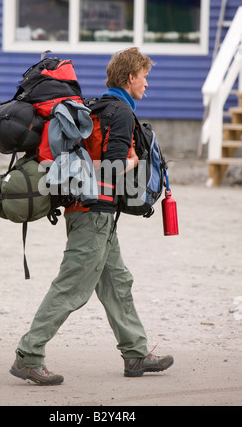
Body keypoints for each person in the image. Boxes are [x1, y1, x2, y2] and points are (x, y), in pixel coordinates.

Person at [9, 47, 174, 385]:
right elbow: (111, 169)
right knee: (71, 288)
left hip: (87, 210)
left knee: (117, 283)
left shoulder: (95, 107)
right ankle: (29, 355)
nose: (147, 84)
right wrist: (133, 163)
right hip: (94, 213)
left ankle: (136, 354)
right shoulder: (121, 112)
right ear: (130, 77)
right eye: (145, 77)